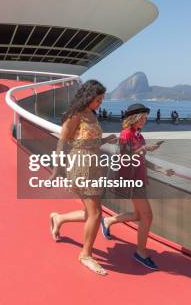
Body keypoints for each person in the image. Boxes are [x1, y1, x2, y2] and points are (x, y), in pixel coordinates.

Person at [49, 80, 117, 276]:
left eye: (101, 100)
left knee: (90, 213)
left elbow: (89, 140)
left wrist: (106, 139)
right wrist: (56, 169)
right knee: (96, 213)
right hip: (81, 165)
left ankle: (58, 218)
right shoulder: (75, 115)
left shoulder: (91, 115)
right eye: (98, 100)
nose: (100, 103)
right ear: (88, 97)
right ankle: (85, 255)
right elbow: (62, 142)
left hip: (94, 164)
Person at [100, 103, 174, 270]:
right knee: (147, 216)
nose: (145, 120)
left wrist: (162, 170)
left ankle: (107, 221)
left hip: (139, 179)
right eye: (142, 117)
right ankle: (140, 252)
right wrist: (143, 148)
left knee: (138, 215)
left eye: (146, 117)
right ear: (134, 117)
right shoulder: (125, 134)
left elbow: (142, 160)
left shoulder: (139, 136)